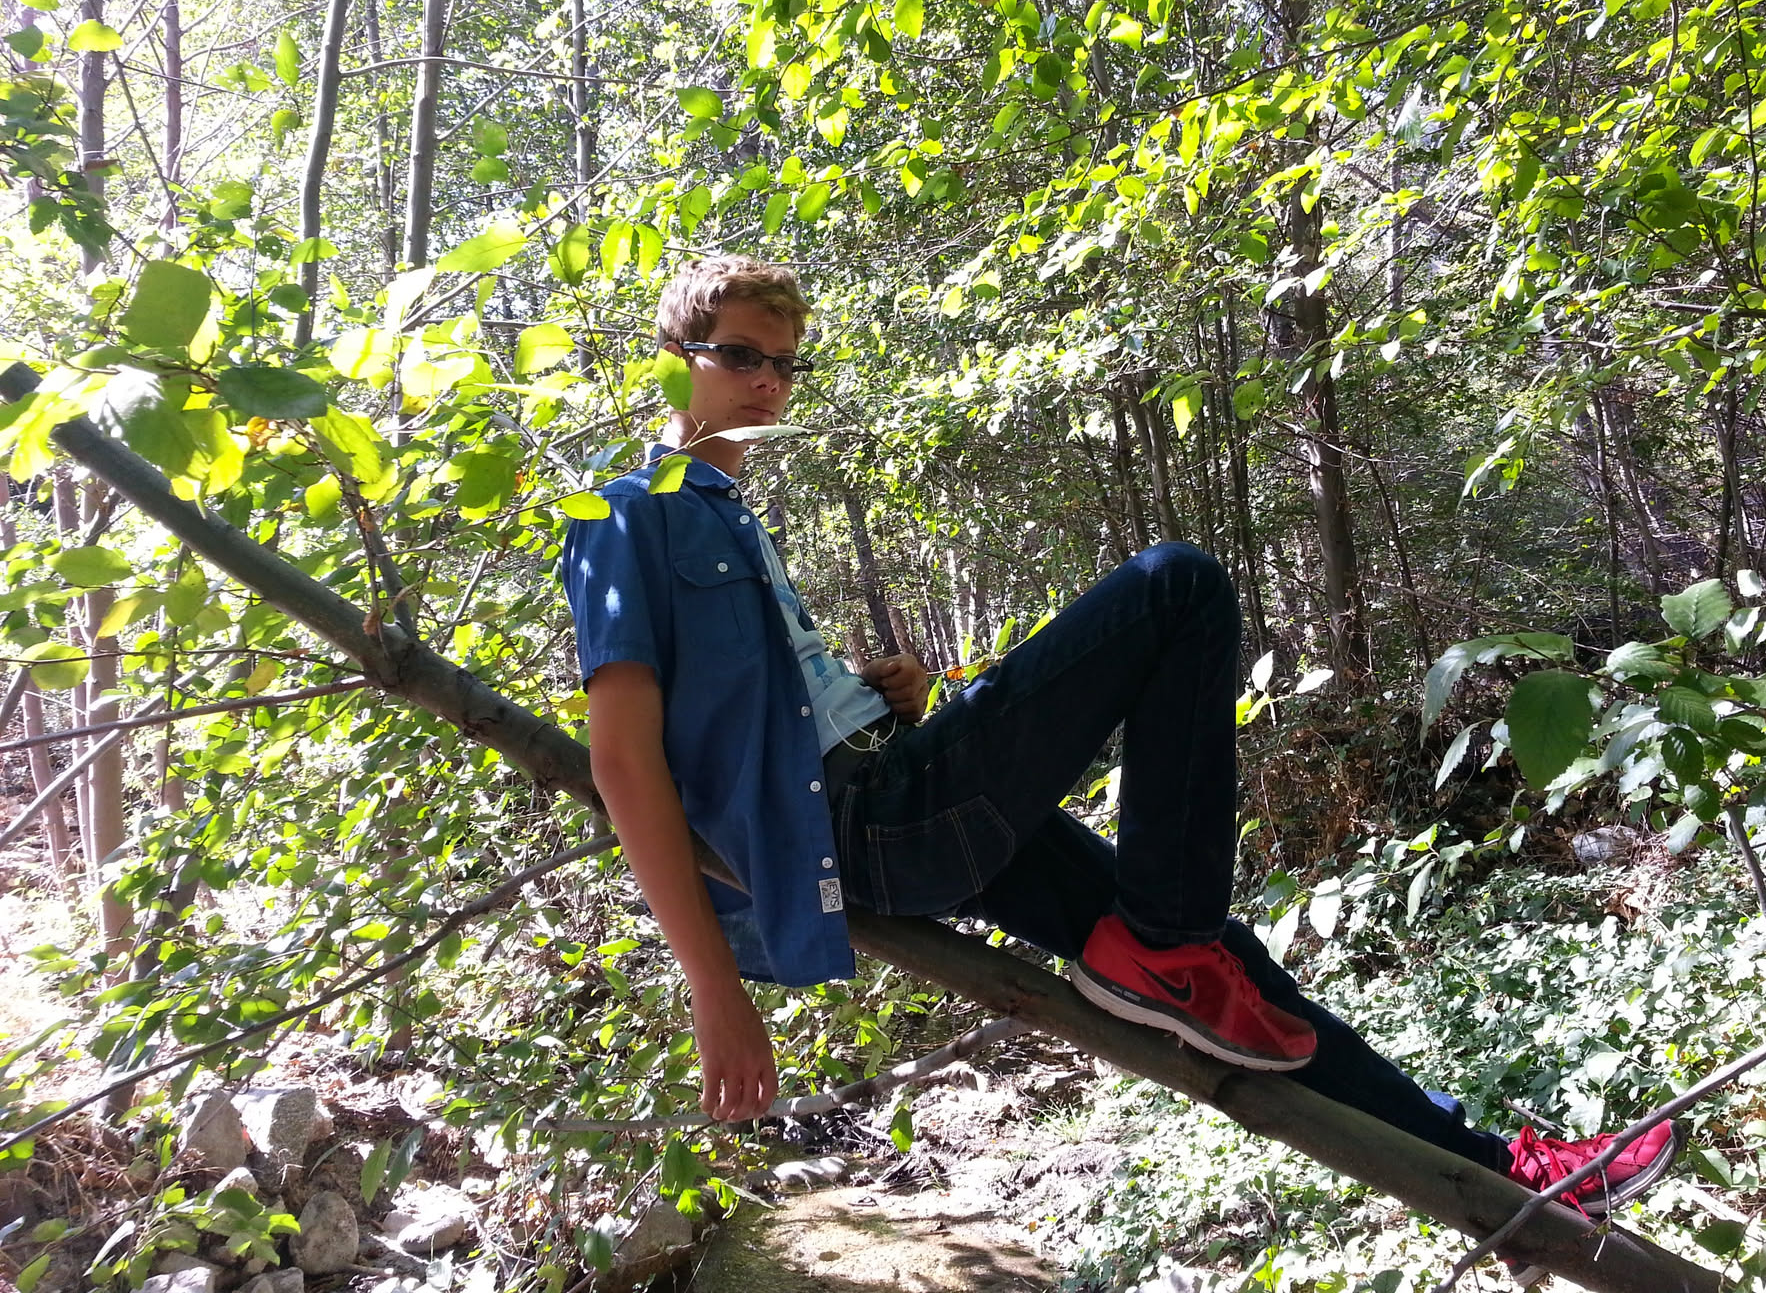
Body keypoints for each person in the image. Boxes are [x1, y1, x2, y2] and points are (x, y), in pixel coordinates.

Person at [560, 254, 1684, 1233]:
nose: (766, 381)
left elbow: (749, 715)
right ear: (673, 360)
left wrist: (869, 694)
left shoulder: (728, 513)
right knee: (1175, 587)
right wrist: (715, 989)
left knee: (1225, 965)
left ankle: (1513, 1179)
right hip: (867, 822)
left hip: (892, 786)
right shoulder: (628, 512)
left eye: (783, 364)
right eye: (740, 355)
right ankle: (1162, 946)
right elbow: (624, 762)